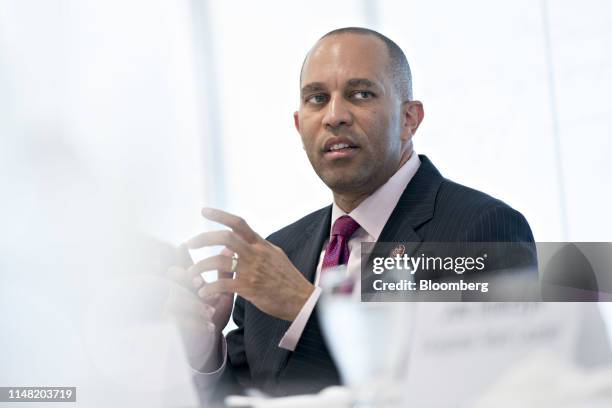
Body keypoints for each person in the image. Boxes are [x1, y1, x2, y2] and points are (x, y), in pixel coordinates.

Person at [164, 27, 535, 402]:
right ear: (298, 125)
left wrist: (304, 304)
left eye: (361, 94)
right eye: (317, 98)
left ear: (410, 118)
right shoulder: (278, 253)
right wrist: (205, 353)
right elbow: (255, 394)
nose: (335, 116)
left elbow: (472, 389)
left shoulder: (484, 228)